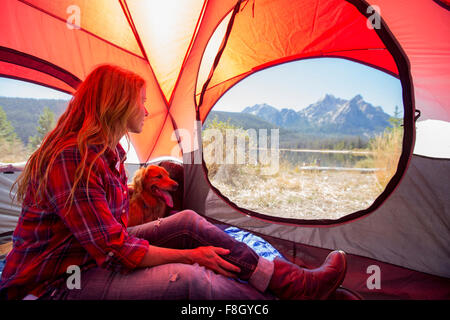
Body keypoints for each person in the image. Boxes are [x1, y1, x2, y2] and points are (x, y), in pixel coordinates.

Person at [0, 64, 347, 300]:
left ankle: (291, 284)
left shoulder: (109, 153)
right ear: (118, 105)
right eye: (142, 102)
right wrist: (190, 255)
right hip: (57, 282)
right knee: (192, 278)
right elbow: (114, 251)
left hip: (93, 255)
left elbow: (115, 237)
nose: (147, 111)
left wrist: (186, 245)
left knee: (188, 221)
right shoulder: (73, 158)